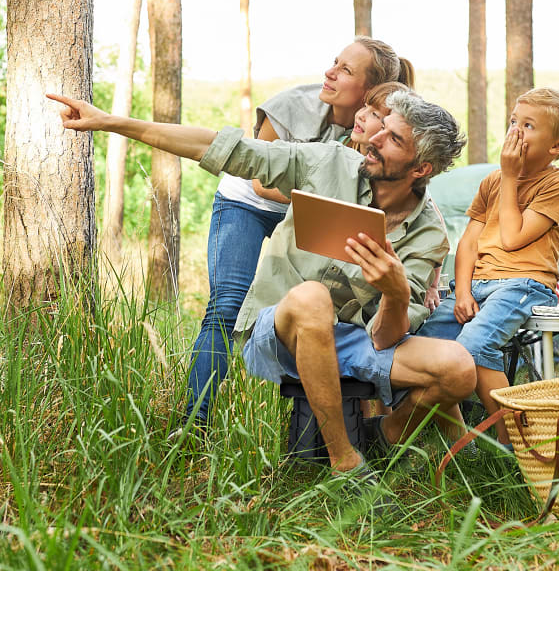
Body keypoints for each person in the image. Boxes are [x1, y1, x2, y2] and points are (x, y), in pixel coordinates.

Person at [47, 88, 476, 489]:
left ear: (421, 169)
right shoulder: (329, 163)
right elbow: (224, 148)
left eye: (393, 139)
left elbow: (385, 338)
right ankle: (345, 461)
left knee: (458, 368)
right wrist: (112, 122)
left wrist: (395, 293)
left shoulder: (428, 234)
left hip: (358, 339)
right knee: (312, 297)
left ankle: (384, 433)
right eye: (382, 128)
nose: (374, 139)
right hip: (281, 328)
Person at [184, 37, 414, 430]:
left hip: (314, 213)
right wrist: (326, 187)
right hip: (251, 204)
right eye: (334, 62)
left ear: (370, 91)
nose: (330, 73)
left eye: (345, 70)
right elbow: (259, 182)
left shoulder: (380, 123)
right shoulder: (292, 105)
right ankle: (194, 422)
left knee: (343, 306)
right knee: (226, 306)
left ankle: (355, 425)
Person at [417, 88, 559, 450]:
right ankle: (461, 441)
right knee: (426, 347)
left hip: (525, 284)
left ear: (557, 146)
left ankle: (515, 446)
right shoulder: (492, 182)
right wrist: (462, 292)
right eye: (514, 121)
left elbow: (512, 238)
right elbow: (468, 244)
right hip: (478, 284)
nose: (515, 131)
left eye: (528, 126)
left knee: (476, 345)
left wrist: (511, 177)